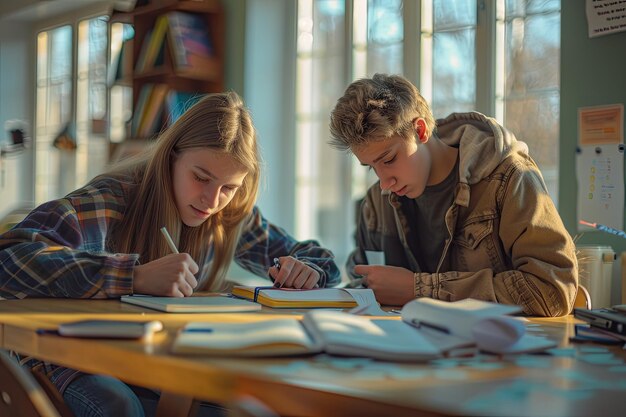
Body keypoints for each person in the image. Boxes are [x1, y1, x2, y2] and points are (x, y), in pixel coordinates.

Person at [0, 91, 341, 417]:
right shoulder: (112, 200)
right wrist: (133, 276)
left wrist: (308, 269)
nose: (212, 199)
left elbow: (318, 258)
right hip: (66, 353)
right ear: (171, 157)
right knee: (119, 407)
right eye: (201, 177)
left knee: (241, 402)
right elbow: (10, 258)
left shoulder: (228, 214)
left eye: (228, 187)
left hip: (150, 358)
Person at [328, 73, 577, 317]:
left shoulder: (509, 178)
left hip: (496, 352)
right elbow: (363, 282)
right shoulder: (377, 202)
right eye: (372, 167)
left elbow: (553, 290)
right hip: (405, 349)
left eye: (390, 159)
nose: (384, 183)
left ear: (421, 131)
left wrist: (420, 289)